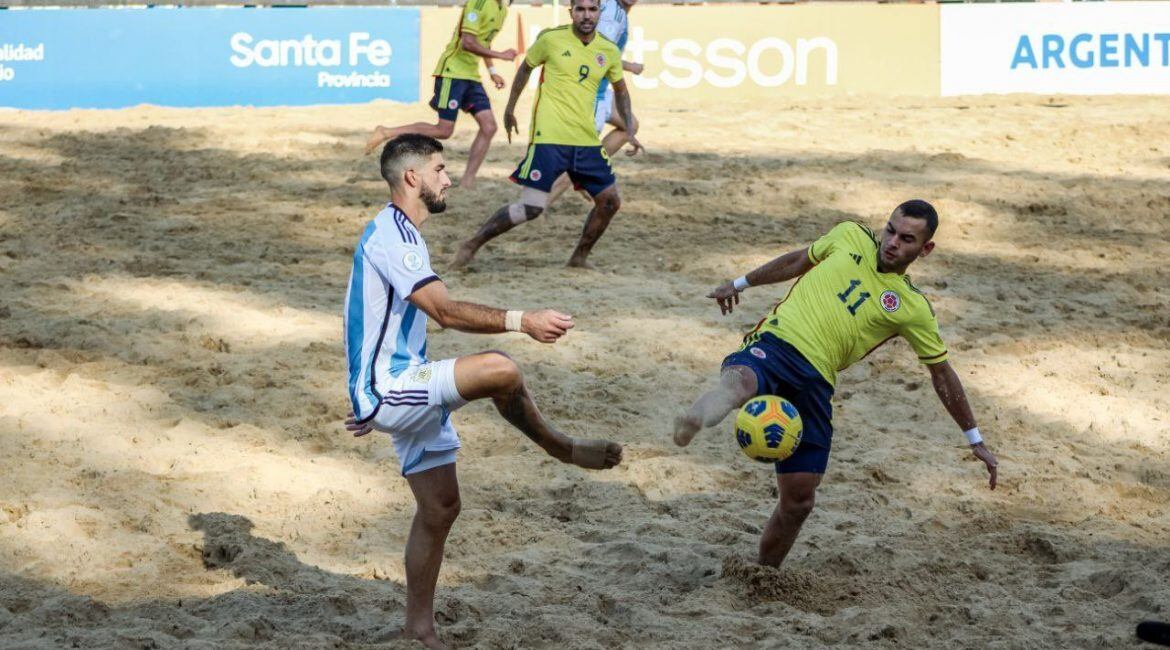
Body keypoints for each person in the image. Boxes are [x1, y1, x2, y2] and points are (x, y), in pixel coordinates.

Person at [344, 134, 623, 649]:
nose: (449, 178)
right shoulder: (394, 236)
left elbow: (365, 320)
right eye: (440, 168)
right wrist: (524, 320)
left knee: (441, 507)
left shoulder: (402, 233)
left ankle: (418, 632)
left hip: (403, 386)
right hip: (395, 388)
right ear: (413, 178)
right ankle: (561, 448)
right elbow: (446, 313)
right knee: (501, 369)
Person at [673, 200, 999, 569]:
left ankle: (761, 575)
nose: (892, 242)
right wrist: (739, 283)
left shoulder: (911, 307)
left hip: (816, 382)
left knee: (800, 500)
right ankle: (694, 419)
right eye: (890, 230)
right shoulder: (850, 235)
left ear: (925, 250)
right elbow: (798, 260)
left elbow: (941, 372)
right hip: (776, 344)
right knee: (739, 385)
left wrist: (975, 440)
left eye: (906, 239)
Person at [450, 0, 644, 270]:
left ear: (599, 13)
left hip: (586, 141)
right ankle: (472, 244)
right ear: (571, 12)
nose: (586, 15)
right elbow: (525, 69)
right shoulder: (551, 39)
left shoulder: (608, 50)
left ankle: (579, 258)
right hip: (549, 140)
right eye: (581, 9)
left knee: (610, 202)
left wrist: (631, 131)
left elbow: (621, 90)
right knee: (530, 208)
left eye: (592, 10)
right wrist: (509, 109)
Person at [363, 0, 517, 189]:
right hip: (451, 73)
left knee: (489, 126)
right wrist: (500, 55)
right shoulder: (478, 3)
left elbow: (483, 41)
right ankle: (386, 132)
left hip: (471, 76)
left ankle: (467, 182)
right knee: (444, 130)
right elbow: (467, 42)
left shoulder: (502, 9)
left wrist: (492, 71)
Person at [545, 0, 643, 209]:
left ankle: (581, 176)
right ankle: (538, 206)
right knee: (577, 161)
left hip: (595, 90)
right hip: (589, 95)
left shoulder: (612, 9)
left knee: (630, 125)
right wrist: (629, 66)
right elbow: (596, 52)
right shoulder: (613, 14)